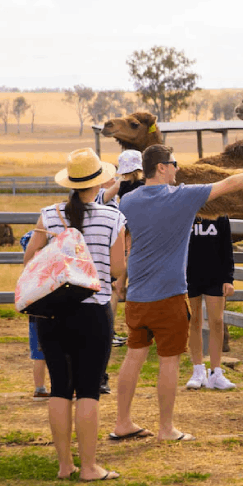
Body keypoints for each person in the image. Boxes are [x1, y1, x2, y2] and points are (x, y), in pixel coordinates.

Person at [109, 144, 243, 443]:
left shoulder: (128, 200)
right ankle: (166, 428)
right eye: (174, 163)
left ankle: (122, 422)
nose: (177, 168)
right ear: (161, 168)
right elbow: (233, 183)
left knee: (134, 358)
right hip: (168, 296)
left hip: (137, 296)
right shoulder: (183, 196)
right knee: (169, 362)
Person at [25, 148, 127, 480]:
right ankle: (89, 467)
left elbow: (30, 259)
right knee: (87, 390)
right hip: (93, 314)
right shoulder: (114, 218)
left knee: (59, 388)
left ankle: (64, 465)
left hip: (52, 315)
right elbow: (117, 269)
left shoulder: (48, 215)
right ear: (99, 182)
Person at [183, 214, 236, 390]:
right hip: (189, 276)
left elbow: (227, 247)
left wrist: (228, 279)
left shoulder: (220, 216)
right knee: (194, 320)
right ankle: (198, 370)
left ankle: (216, 372)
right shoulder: (185, 210)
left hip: (216, 276)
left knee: (217, 321)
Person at [100, 149, 144, 348]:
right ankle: (138, 331)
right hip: (141, 241)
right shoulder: (146, 185)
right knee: (135, 287)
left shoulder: (121, 187)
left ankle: (108, 330)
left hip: (122, 239)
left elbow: (103, 199)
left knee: (117, 288)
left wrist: (120, 181)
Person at [20, 229, 49, 400]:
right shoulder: (53, 269)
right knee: (60, 352)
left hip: (35, 316)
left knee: (39, 355)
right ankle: (67, 385)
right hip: (52, 315)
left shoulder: (29, 273)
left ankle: (39, 387)